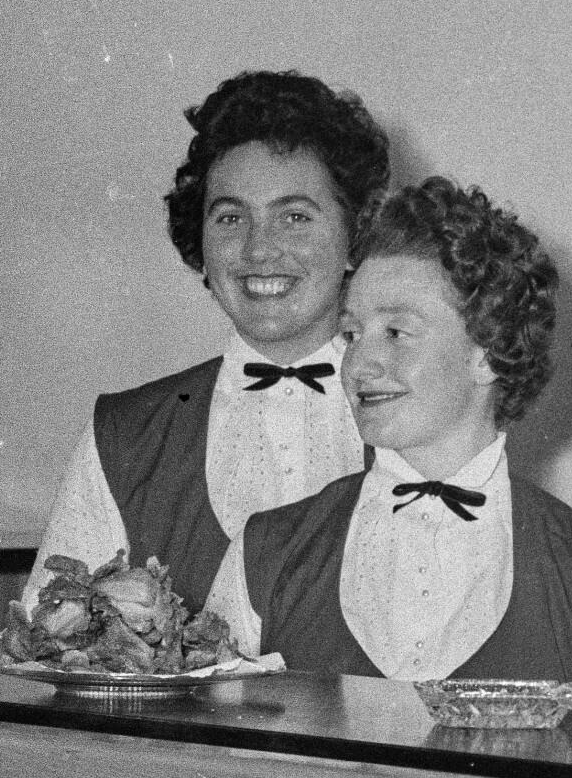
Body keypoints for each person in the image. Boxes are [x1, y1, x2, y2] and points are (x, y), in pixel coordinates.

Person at [215, 179, 572, 680]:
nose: (359, 363)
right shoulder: (266, 552)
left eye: (396, 332)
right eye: (351, 334)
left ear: (488, 354)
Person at [28, 70, 393, 613]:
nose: (259, 249)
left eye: (295, 217)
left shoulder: (421, 414)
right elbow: (48, 633)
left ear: (354, 237)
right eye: (230, 217)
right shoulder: (126, 435)